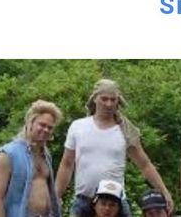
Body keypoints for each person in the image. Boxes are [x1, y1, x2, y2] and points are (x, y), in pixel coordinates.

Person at [54, 78, 172, 216]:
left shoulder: (125, 131)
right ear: (95, 99)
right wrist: (55, 196)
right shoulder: (78, 126)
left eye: (113, 99)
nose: (108, 104)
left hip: (115, 203)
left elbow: (145, 164)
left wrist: (164, 191)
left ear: (118, 102)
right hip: (84, 202)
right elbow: (67, 165)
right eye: (104, 99)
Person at [0, 99, 63, 217]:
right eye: (42, 125)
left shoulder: (46, 154)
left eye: (50, 128)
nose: (46, 130)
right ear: (30, 123)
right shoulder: (7, 154)